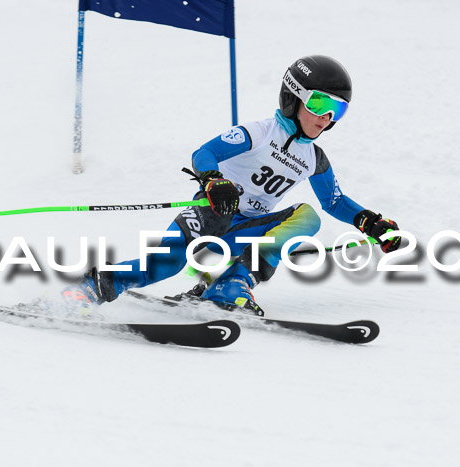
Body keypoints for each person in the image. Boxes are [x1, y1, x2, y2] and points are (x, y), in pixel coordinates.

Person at [63, 55, 401, 314]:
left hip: (246, 230)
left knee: (308, 215)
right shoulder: (259, 132)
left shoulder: (314, 157)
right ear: (294, 96)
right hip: (213, 214)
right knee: (167, 262)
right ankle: (89, 288)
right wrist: (213, 180)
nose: (326, 117)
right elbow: (205, 152)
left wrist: (370, 222)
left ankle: (231, 285)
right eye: (319, 104)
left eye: (337, 110)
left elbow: (335, 202)